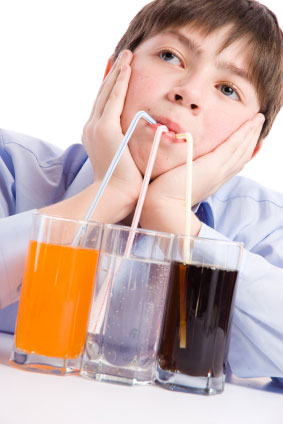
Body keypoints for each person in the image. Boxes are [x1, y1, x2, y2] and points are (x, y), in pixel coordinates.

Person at [0, 0, 282, 385]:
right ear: (113, 71)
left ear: (249, 147)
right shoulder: (13, 169)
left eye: (228, 89)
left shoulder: (261, 229)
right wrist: (108, 194)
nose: (188, 93)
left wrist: (174, 218)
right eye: (170, 56)